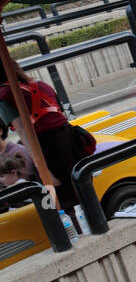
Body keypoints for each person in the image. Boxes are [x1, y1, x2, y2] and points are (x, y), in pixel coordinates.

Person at [0, 72, 93, 213]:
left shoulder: (4, 93)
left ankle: (75, 231)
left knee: (57, 203)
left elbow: (22, 129)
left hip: (47, 148)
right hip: (70, 140)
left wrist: (42, 169)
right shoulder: (40, 84)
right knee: (83, 193)